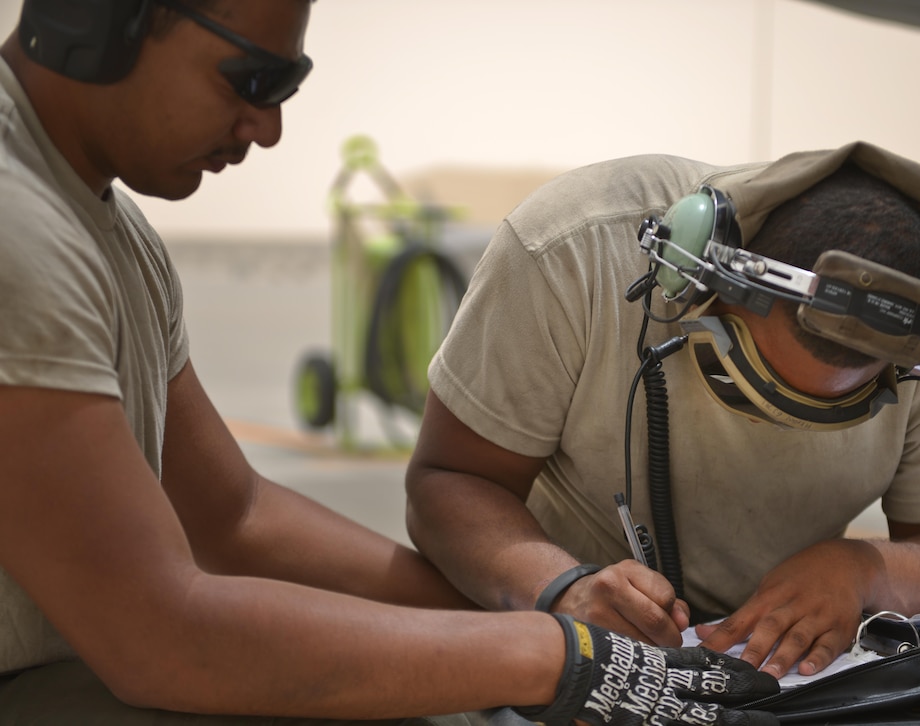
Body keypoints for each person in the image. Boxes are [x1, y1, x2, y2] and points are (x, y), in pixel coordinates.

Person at [0, 1, 782, 723]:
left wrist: (550, 607)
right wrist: (552, 655)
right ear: (98, 19)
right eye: (252, 79)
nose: (267, 128)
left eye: (287, 88)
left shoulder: (113, 234)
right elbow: (158, 639)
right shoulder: (19, 234)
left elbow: (235, 519)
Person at [405, 144, 920, 682]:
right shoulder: (571, 253)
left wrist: (862, 571)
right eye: (754, 387)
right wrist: (561, 589)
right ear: (694, 281)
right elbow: (450, 481)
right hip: (540, 627)